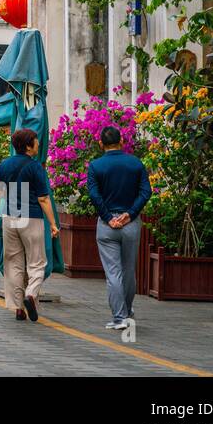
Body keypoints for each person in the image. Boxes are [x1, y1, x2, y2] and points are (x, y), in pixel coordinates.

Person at [87, 125, 152, 331]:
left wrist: (108, 217)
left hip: (107, 226)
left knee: (113, 273)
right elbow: (145, 192)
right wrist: (130, 213)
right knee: (128, 269)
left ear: (100, 144)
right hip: (130, 223)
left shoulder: (96, 166)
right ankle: (128, 310)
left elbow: (94, 195)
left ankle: (119, 317)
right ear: (122, 142)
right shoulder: (135, 164)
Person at [0, 127, 60, 321]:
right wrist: (53, 223)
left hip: (10, 217)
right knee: (37, 262)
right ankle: (30, 294)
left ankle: (18, 308)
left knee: (13, 263)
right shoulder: (35, 166)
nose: (38, 144)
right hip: (31, 217)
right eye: (36, 141)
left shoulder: (4, 165)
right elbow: (43, 199)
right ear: (29, 145)